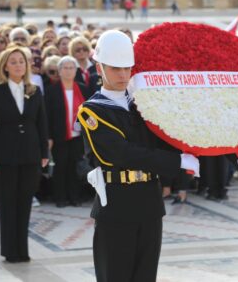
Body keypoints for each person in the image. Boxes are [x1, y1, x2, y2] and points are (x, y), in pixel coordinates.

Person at [76, 30, 200, 281]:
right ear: (99, 68)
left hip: (149, 202)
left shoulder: (143, 103)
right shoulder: (92, 110)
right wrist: (175, 162)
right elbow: (120, 155)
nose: (123, 75)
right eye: (115, 69)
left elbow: (167, 136)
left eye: (127, 68)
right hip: (117, 204)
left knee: (145, 276)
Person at [0, 46, 49, 263]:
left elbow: (42, 123)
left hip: (31, 154)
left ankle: (23, 250)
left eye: (21, 61)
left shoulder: (34, 90)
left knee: (25, 203)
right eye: (13, 61)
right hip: (5, 155)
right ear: (4, 66)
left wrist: (44, 152)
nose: (18, 65)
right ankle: (10, 251)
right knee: (8, 203)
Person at [45, 56, 89, 207]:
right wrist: (48, 136)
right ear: (59, 71)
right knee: (60, 166)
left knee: (74, 167)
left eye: (72, 68)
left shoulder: (83, 88)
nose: (69, 71)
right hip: (59, 136)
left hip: (78, 136)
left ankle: (75, 197)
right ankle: (60, 198)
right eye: (65, 68)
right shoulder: (52, 91)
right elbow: (47, 116)